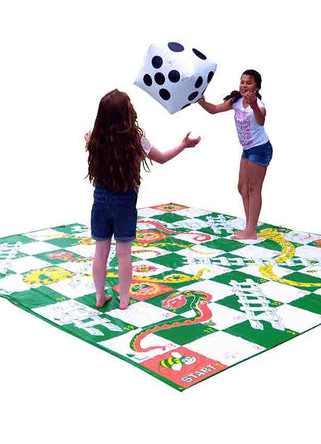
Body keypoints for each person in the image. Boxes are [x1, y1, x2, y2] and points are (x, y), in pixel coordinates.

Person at [85, 89, 201, 310]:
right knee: (123, 253)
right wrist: (183, 145)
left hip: (100, 200)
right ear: (127, 113)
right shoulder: (136, 140)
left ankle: (100, 296)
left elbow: (93, 149)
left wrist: (89, 141)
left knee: (100, 252)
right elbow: (162, 158)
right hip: (125, 201)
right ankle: (124, 300)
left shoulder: (96, 140)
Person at [198, 69, 272, 239]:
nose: (244, 85)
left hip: (260, 149)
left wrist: (253, 105)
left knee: (254, 189)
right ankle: (249, 226)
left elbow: (261, 120)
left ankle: (251, 231)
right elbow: (214, 109)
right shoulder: (236, 101)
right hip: (247, 149)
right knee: (242, 188)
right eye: (242, 82)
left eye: (249, 83)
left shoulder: (259, 105)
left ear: (257, 87)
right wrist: (202, 102)